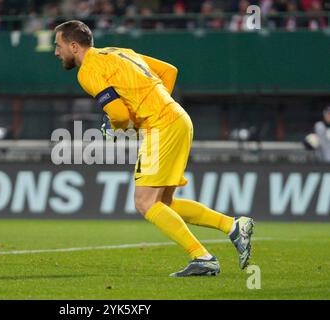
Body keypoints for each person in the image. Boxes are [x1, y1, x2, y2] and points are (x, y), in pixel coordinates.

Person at [54, 20, 254, 277]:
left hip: (161, 126)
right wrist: (152, 105)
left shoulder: (88, 70)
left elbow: (117, 113)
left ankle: (203, 257)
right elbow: (169, 71)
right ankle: (233, 226)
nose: (56, 52)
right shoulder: (118, 51)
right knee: (164, 202)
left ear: (73, 46)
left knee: (144, 202)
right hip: (178, 118)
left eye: (58, 46)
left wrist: (114, 128)